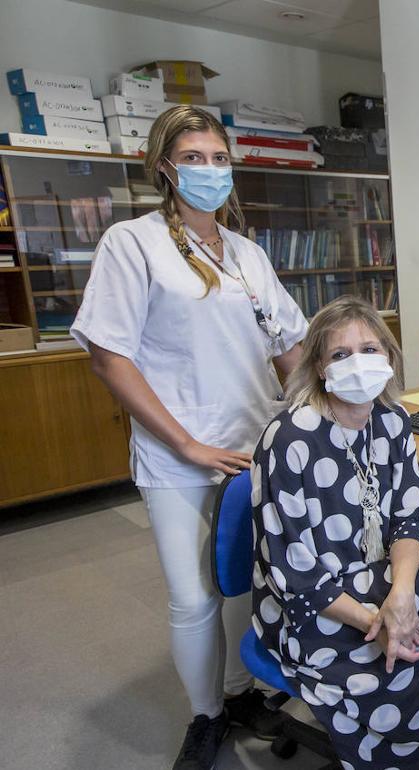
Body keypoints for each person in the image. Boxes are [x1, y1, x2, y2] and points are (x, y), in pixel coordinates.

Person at [71, 105, 309, 769]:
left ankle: (239, 694)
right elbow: (107, 354)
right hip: (179, 455)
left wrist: (332, 411)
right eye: (194, 158)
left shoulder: (248, 255)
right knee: (194, 597)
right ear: (165, 170)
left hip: (253, 447)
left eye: (217, 157)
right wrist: (185, 444)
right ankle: (206, 716)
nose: (209, 170)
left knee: (243, 580)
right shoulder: (133, 243)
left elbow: (289, 348)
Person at [252, 296, 419, 770]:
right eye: (340, 354)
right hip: (312, 607)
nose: (358, 363)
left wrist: (401, 598)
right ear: (319, 368)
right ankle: (400, 743)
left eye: (369, 349)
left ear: (388, 357)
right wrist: (375, 623)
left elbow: (410, 520)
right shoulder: (289, 440)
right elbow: (294, 579)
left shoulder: (392, 421)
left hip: (377, 579)